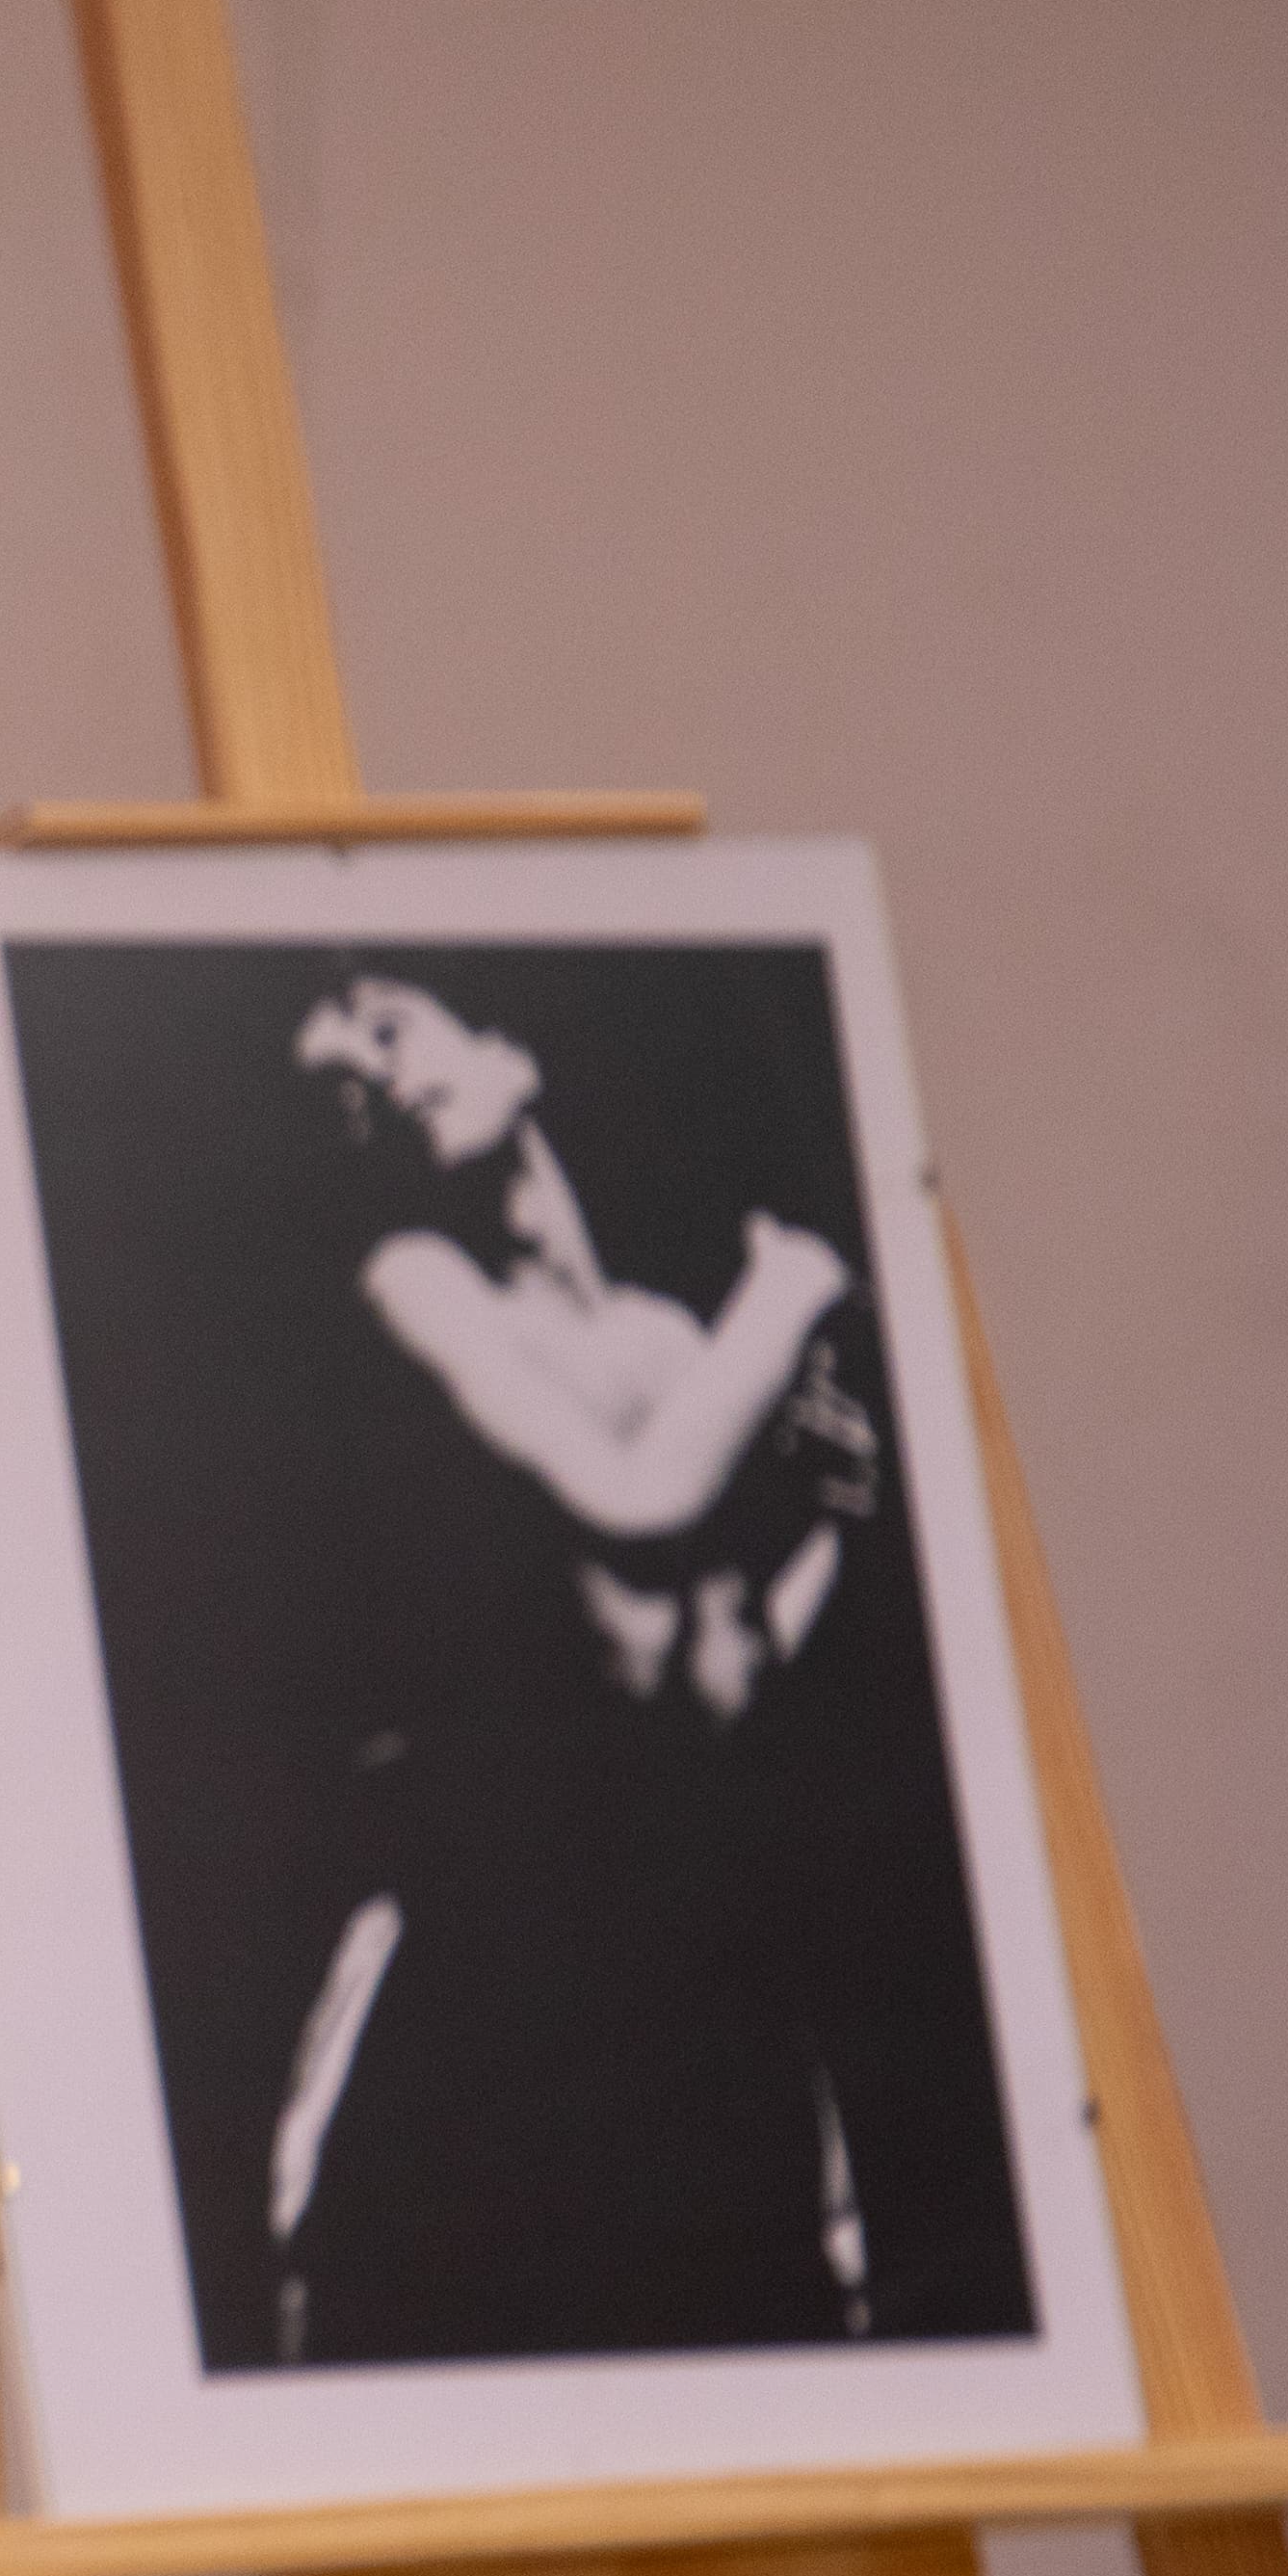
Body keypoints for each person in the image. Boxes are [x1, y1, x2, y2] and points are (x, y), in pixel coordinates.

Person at [257, 966, 907, 2360]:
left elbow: (730, 1656)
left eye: (389, 1028)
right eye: (343, 1085)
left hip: (691, 1932)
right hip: (501, 1945)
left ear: (509, 1047)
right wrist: (788, 1291)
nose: (375, 1078)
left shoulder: (662, 1338)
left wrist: (831, 1522)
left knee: (751, 2329)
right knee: (422, 2338)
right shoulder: (419, 1283)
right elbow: (639, 1503)